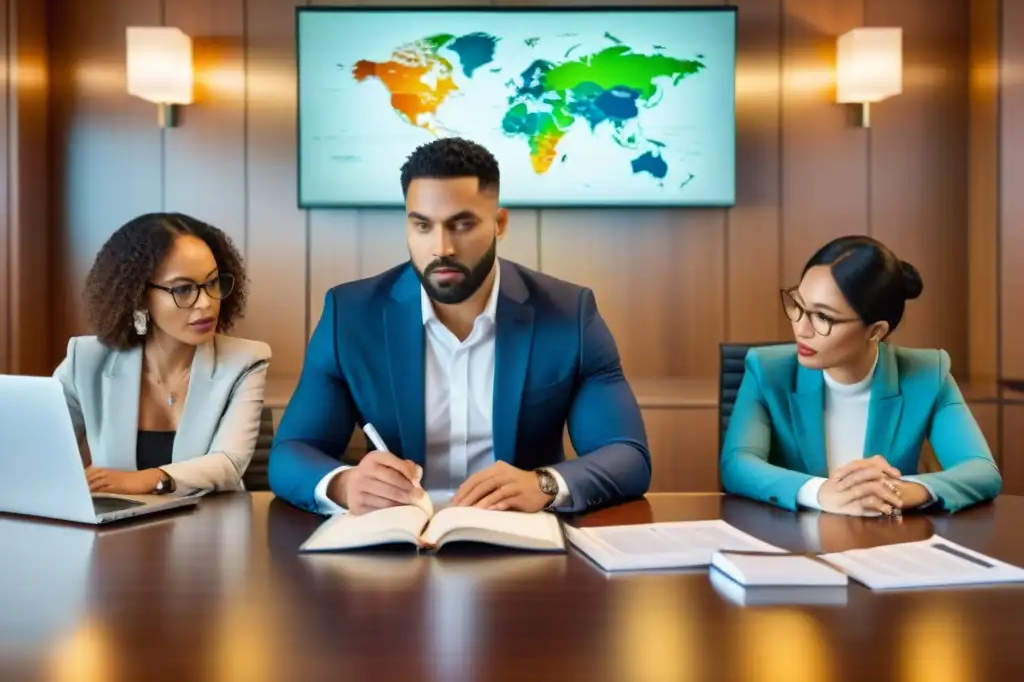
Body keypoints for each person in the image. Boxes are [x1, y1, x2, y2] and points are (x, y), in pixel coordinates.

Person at [270, 137, 651, 515]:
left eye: (462, 224)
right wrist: (345, 484)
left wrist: (544, 484)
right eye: (423, 226)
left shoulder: (569, 313)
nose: (442, 248)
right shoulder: (351, 315)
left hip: (522, 533)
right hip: (397, 535)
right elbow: (291, 453)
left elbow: (627, 455)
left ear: (499, 224)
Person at [720, 235, 1001, 516]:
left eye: (823, 317)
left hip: (886, 537)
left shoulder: (927, 374)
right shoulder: (767, 370)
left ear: (876, 331)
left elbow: (982, 471)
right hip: (791, 537)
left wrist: (902, 490)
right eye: (798, 305)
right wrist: (821, 492)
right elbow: (737, 464)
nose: (801, 329)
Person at [53, 213, 272, 496]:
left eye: (212, 283)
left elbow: (229, 462)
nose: (206, 303)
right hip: (117, 522)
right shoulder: (85, 361)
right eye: (183, 289)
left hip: (211, 519)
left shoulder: (244, 361)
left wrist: (149, 479)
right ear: (139, 296)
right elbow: (41, 448)